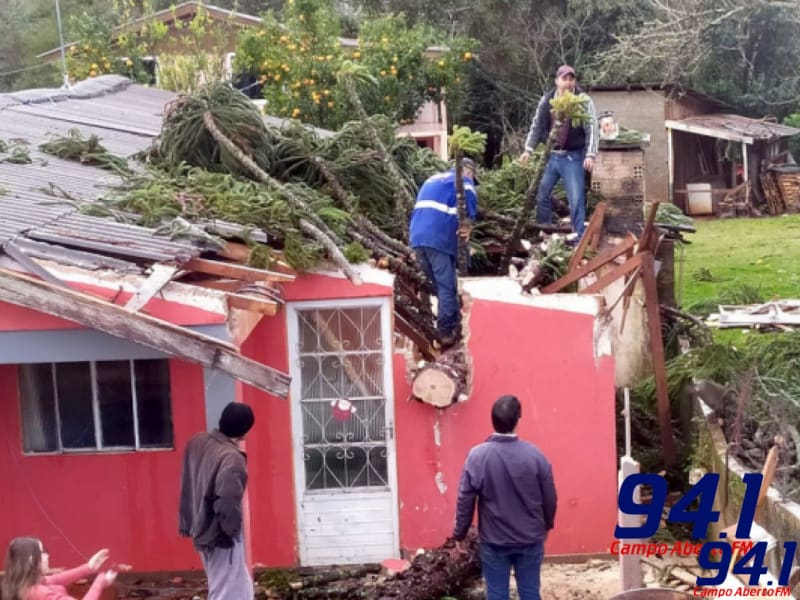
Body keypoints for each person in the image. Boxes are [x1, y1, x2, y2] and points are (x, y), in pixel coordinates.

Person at [453, 395, 557, 600]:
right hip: (530, 539)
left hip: (494, 542)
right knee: (530, 593)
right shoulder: (535, 455)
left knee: (497, 595)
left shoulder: (477, 456)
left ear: (493, 420)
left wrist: (460, 534)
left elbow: (465, 499)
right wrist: (547, 525)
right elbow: (550, 497)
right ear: (518, 419)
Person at [179, 402, 255, 600]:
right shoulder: (232, 458)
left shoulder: (198, 441)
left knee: (242, 587)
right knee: (226, 592)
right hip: (220, 534)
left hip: (199, 525)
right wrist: (231, 532)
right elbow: (227, 501)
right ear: (244, 429)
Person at [520, 65, 599, 241]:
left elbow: (592, 127)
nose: (568, 83)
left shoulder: (583, 100)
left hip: (573, 157)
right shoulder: (547, 99)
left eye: (571, 79)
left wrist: (590, 154)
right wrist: (528, 150)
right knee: (541, 194)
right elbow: (537, 125)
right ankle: (545, 233)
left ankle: (578, 238)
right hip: (551, 155)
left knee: (576, 199)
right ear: (557, 81)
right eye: (564, 79)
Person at [409, 158, 479, 347]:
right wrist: (467, 225)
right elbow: (467, 208)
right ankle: (446, 334)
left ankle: (449, 322)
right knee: (447, 287)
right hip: (437, 240)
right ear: (469, 172)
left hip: (417, 238)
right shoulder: (464, 181)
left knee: (439, 286)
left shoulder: (432, 179)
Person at [1, 537, 117, 600]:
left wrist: (88, 567)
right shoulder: (41, 594)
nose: (48, 556)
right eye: (43, 552)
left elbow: (53, 580)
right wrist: (100, 582)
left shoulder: (20, 586)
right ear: (32, 561)